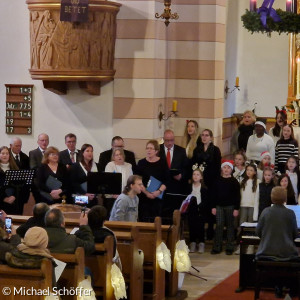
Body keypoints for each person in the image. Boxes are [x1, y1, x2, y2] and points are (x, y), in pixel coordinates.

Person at [255, 187, 299, 297]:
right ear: (285, 199)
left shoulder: (265, 211)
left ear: (272, 198)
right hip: (286, 253)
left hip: (265, 252)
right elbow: (295, 235)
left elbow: (258, 232)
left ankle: (277, 287)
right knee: (294, 258)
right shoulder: (290, 213)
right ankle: (291, 288)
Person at [192, 129, 221, 239]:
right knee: (201, 206)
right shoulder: (197, 150)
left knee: (210, 206)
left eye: (207, 135)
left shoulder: (215, 150)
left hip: (212, 182)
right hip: (200, 182)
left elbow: (217, 167)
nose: (204, 137)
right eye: (203, 135)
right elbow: (194, 164)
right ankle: (199, 232)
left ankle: (210, 230)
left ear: (211, 137)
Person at [210, 161, 240, 255]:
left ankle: (230, 247)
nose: (226, 170)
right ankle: (217, 247)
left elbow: (237, 196)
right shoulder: (217, 180)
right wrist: (213, 206)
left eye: (228, 168)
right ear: (222, 169)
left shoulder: (234, 181)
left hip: (230, 206)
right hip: (219, 206)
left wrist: (236, 208)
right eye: (224, 167)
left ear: (231, 170)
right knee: (219, 225)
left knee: (230, 226)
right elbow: (213, 195)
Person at [159, 130, 188, 220]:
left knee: (175, 213)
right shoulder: (158, 150)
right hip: (161, 186)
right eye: (167, 140)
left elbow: (186, 168)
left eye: (171, 140)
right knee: (162, 213)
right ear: (163, 139)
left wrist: (181, 176)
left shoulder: (181, 151)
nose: (169, 143)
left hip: (176, 186)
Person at [136, 140, 168, 222]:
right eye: (147, 148)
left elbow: (167, 180)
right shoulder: (141, 163)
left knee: (156, 221)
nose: (148, 150)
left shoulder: (162, 162)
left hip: (158, 197)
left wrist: (159, 192)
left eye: (151, 148)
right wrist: (147, 193)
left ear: (156, 151)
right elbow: (138, 181)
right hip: (144, 197)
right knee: (144, 220)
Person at [186, 168, 209, 253]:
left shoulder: (204, 188)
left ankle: (201, 243)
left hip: (201, 210)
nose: (195, 176)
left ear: (201, 177)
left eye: (198, 174)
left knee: (200, 228)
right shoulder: (189, 187)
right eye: (194, 174)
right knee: (192, 227)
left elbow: (206, 201)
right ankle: (192, 243)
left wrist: (201, 206)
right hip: (191, 210)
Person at [0, 146, 25, 214]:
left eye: (7, 153)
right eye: (2, 153)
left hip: (14, 202)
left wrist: (14, 196)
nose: (5, 155)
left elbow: (20, 186)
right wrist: (4, 198)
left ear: (9, 155)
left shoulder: (15, 168)